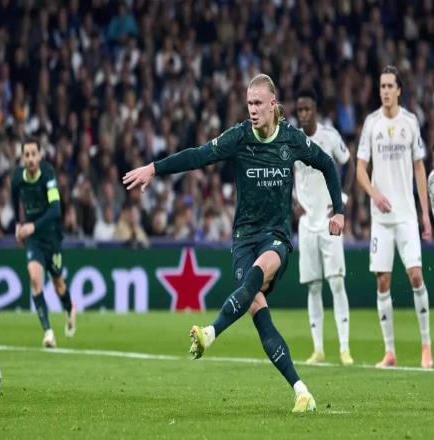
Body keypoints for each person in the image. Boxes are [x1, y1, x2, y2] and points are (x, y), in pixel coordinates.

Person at [123, 74, 345, 413]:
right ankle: (302, 391)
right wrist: (154, 167)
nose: (252, 109)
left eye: (258, 103)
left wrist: (338, 210)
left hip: (276, 236)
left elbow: (327, 164)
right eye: (249, 103)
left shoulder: (292, 139)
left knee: (259, 271)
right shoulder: (239, 137)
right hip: (243, 238)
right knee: (259, 314)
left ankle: (211, 332)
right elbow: (198, 156)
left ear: (273, 104)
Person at [356, 65, 432, 369]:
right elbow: (360, 169)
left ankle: (426, 347)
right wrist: (374, 193)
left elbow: (419, 168)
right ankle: (390, 352)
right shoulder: (371, 123)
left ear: (399, 90)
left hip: (406, 215)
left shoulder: (410, 122)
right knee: (383, 281)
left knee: (416, 275)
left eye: (390, 86)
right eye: (382, 86)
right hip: (381, 219)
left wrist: (425, 214)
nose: (385, 91)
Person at [294, 89, 355, 366]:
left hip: (330, 220)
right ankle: (318, 349)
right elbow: (284, 174)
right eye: (300, 110)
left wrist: (344, 199)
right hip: (307, 223)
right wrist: (292, 202)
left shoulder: (329, 136)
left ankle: (344, 349)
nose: (303, 114)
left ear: (315, 110)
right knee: (314, 286)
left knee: (337, 282)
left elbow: (349, 164)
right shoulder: (292, 140)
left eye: (307, 109)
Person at [11, 138, 76, 348]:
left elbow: (56, 209)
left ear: (40, 156)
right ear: (23, 158)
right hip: (34, 239)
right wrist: (18, 224)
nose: (30, 159)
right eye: (26, 155)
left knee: (58, 284)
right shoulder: (17, 178)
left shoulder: (48, 175)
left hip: (52, 236)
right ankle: (48, 332)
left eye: (33, 154)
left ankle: (70, 309)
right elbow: (14, 200)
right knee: (35, 279)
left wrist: (33, 226)